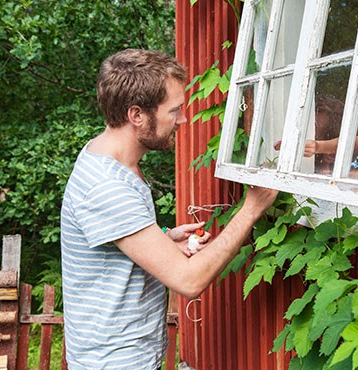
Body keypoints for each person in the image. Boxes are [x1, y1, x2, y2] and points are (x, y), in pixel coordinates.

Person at [60, 49, 278, 369]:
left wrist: (163, 241)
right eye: (174, 110)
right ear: (137, 115)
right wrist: (251, 209)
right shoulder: (108, 186)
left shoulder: (107, 158)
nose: (183, 119)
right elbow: (188, 281)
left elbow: (116, 241)